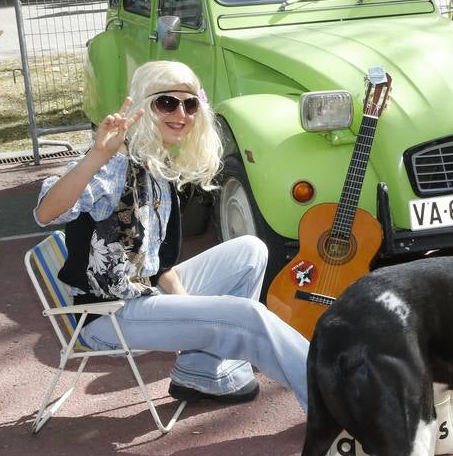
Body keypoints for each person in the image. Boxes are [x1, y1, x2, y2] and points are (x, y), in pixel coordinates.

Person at [33, 60, 310, 409]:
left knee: (250, 251)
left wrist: (189, 307)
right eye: (167, 102)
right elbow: (46, 212)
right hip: (109, 316)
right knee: (245, 316)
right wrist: (97, 155)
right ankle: (332, 399)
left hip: (142, 295)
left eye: (190, 103)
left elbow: (158, 265)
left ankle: (202, 370)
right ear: (144, 106)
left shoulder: (154, 164)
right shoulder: (113, 162)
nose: (180, 113)